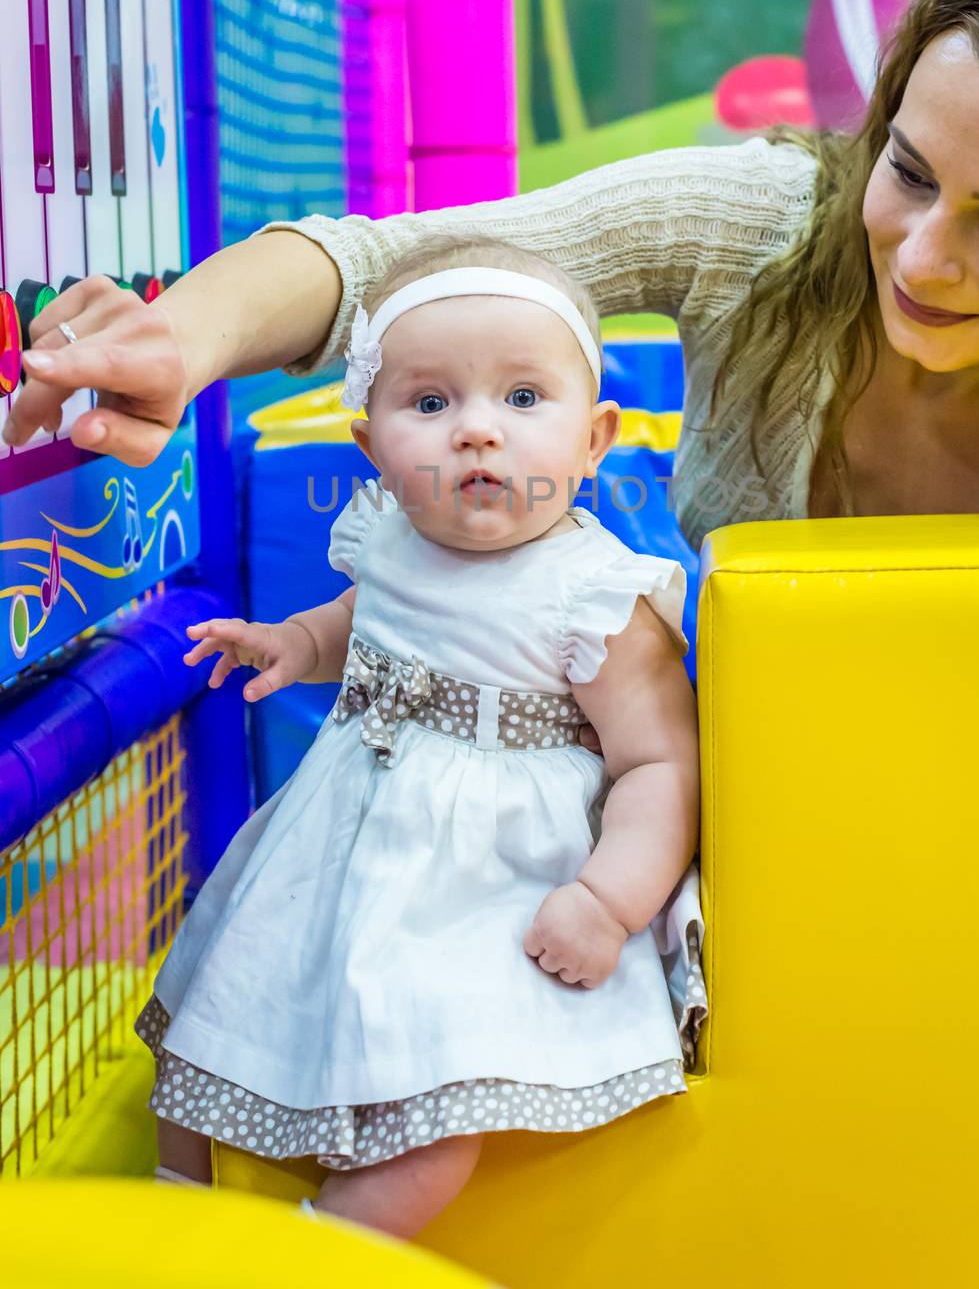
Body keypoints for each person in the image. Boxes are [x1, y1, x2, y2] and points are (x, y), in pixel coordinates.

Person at [9, 0, 979, 536]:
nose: (922, 254)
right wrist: (181, 338)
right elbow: (396, 265)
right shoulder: (766, 228)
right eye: (910, 172)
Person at [136, 236, 705, 1237]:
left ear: (596, 437)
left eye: (524, 399)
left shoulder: (595, 595)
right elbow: (359, 620)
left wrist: (610, 902)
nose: (477, 433)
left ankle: (328, 1251)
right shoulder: (394, 540)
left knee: (436, 1115)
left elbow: (660, 762)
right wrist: (292, 642)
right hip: (345, 843)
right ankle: (176, 1210)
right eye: (432, 403)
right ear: (372, 445)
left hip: (492, 887)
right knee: (215, 1006)